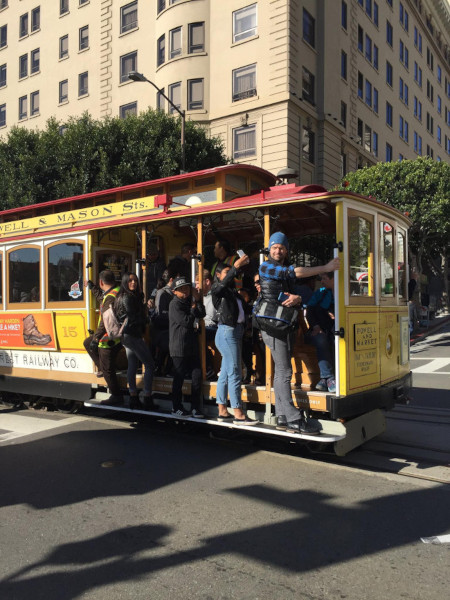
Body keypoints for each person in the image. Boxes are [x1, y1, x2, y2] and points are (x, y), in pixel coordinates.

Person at [259, 232, 340, 434]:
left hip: (283, 324)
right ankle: (293, 419)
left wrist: (296, 298)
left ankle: (283, 416)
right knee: (285, 372)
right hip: (273, 324)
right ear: (269, 249)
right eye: (275, 247)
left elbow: (287, 290)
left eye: (282, 248)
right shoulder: (265, 266)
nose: (278, 250)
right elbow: (291, 273)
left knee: (281, 372)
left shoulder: (280, 268)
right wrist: (326, 268)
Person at [211, 259, 258, 425]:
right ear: (218, 275)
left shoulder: (232, 292)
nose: (230, 276)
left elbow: (244, 311)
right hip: (226, 332)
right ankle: (238, 412)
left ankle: (222, 409)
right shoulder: (218, 290)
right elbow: (221, 285)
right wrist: (235, 268)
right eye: (226, 273)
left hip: (234, 332)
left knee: (225, 372)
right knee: (235, 371)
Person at [114, 272, 156, 410]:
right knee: (149, 364)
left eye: (135, 281)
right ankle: (147, 397)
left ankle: (133, 396)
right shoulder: (127, 297)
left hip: (127, 335)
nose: (133, 283)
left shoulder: (125, 296)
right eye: (130, 280)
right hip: (132, 335)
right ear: (125, 282)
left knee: (132, 363)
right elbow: (132, 317)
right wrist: (147, 319)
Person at [83, 270, 123, 404]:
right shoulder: (115, 291)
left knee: (108, 369)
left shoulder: (111, 297)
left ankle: (116, 396)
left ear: (101, 282)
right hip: (116, 334)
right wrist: (92, 287)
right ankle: (101, 367)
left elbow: (104, 322)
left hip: (109, 338)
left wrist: (96, 338)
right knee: (87, 343)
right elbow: (102, 298)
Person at [169, 276, 206, 418]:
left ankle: (195, 407)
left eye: (186, 288)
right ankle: (175, 407)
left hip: (191, 345)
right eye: (181, 289)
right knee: (179, 379)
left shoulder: (189, 301)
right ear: (174, 292)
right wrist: (192, 309)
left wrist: (196, 301)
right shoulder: (174, 304)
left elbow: (202, 313)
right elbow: (186, 321)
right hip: (178, 347)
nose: (184, 291)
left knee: (197, 376)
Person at [305, 272, 336, 393]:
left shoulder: (343, 293)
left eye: (324, 278)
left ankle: (325, 379)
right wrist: (316, 326)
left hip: (336, 330)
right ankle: (329, 377)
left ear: (334, 278)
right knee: (321, 339)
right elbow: (310, 312)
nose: (322, 282)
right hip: (319, 330)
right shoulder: (320, 293)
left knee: (337, 340)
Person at [202, 269, 219, 380]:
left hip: (214, 327)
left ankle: (208, 369)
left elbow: (213, 316)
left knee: (198, 336)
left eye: (198, 282)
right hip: (204, 327)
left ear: (207, 282)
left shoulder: (215, 295)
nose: (196, 286)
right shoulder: (200, 295)